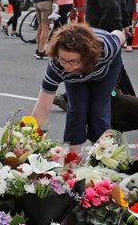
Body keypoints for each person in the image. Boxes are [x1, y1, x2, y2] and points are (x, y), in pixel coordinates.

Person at [30, 23, 125, 152]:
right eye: (62, 59)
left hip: (105, 71)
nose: (66, 66)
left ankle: (104, 155)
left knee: (98, 109)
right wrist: (27, 138)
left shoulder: (107, 47)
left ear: (86, 57)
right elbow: (43, 106)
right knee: (76, 109)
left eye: (72, 61)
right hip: (75, 77)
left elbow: (118, 35)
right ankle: (72, 157)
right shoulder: (57, 66)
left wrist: (124, 31)